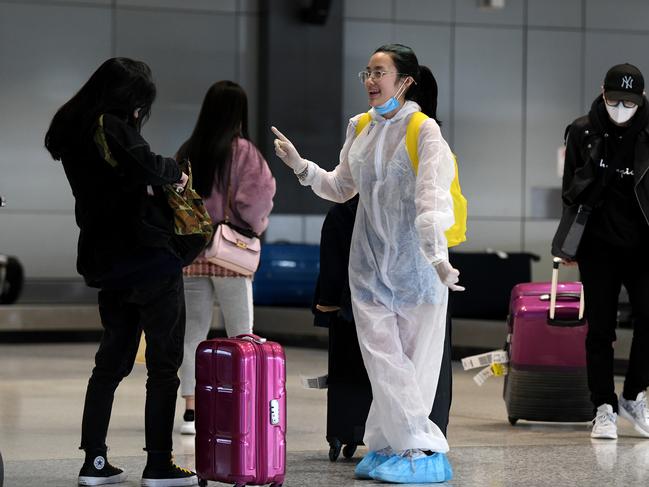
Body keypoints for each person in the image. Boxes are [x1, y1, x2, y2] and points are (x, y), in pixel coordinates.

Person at [272, 43, 463, 484]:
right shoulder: (360, 126)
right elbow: (341, 188)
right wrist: (301, 166)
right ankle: (395, 444)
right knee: (383, 362)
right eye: (367, 72)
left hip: (417, 270)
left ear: (405, 80)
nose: (371, 81)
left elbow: (432, 200)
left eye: (380, 72)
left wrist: (437, 258)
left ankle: (415, 448)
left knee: (412, 367)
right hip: (369, 268)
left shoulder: (424, 130)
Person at [44, 57, 198, 486]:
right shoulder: (111, 126)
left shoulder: (73, 130)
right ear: (128, 100)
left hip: (106, 264)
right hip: (148, 258)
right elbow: (149, 165)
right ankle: (159, 464)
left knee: (110, 365)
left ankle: (95, 461)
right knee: (164, 366)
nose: (138, 114)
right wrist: (177, 173)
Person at [175, 80, 276, 435]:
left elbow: (172, 198)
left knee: (192, 333)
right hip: (231, 255)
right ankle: (241, 402)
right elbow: (258, 198)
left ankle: (190, 409)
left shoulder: (188, 150)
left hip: (192, 254)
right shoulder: (244, 151)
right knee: (241, 334)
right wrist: (254, 224)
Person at [558, 63, 649, 440]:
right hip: (598, 245)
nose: (622, 108)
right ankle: (603, 406)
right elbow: (569, 191)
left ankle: (632, 395)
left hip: (643, 244)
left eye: (630, 102)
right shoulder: (583, 131)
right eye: (615, 100)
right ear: (602, 92)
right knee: (600, 328)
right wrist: (567, 244)